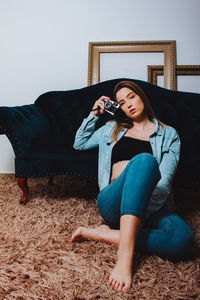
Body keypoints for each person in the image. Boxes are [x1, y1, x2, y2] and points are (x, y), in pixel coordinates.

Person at [71, 81, 194, 293]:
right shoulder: (112, 129)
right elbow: (79, 143)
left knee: (182, 240)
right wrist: (95, 113)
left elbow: (163, 184)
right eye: (121, 102)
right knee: (144, 160)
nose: (128, 104)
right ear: (118, 108)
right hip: (113, 203)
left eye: (131, 96)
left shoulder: (168, 134)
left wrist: (139, 215)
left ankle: (100, 234)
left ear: (141, 97)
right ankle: (125, 257)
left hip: (151, 204)